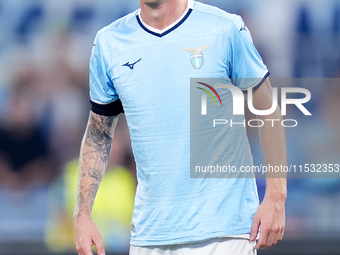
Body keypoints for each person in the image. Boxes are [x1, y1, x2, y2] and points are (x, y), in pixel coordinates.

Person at [74, 0, 287, 254]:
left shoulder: (225, 29)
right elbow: (98, 134)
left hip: (225, 233)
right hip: (150, 236)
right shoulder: (110, 43)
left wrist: (276, 196)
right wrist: (82, 216)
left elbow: (268, 108)